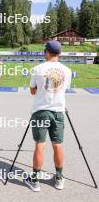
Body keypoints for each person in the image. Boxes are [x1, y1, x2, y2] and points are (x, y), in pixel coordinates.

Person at [25, 40, 72, 192]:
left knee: (40, 144)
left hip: (41, 111)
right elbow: (64, 89)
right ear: (59, 53)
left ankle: (35, 181)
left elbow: (32, 91)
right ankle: (59, 177)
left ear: (47, 52)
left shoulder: (38, 68)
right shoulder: (67, 70)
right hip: (58, 111)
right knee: (57, 144)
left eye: (45, 50)